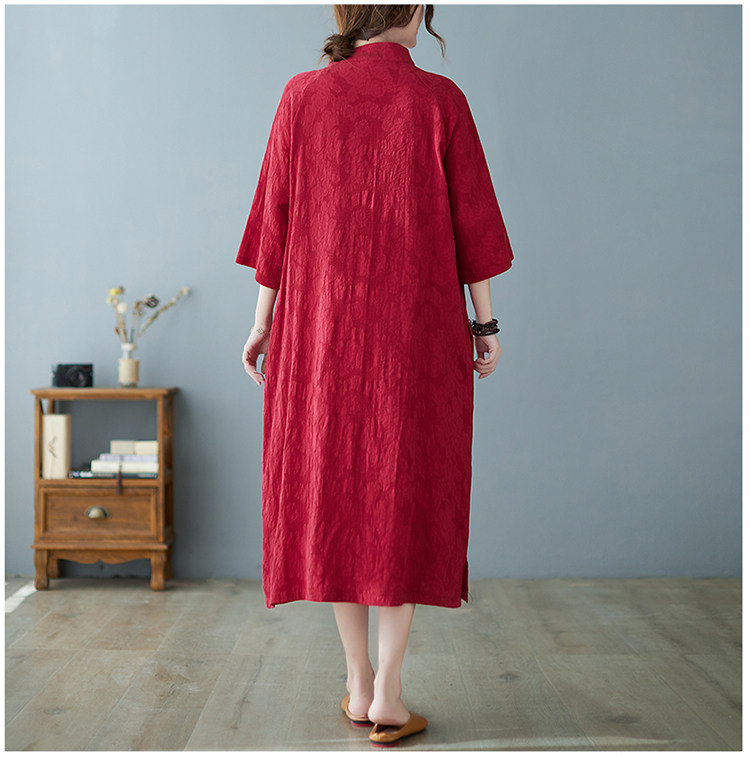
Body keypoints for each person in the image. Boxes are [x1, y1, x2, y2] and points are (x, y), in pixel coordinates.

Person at [237, 4, 514, 747]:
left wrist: (263, 322)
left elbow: (276, 225)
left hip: (322, 332)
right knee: (402, 494)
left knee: (338, 491)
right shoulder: (440, 100)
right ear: (415, 10)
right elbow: (474, 225)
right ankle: (389, 689)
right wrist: (485, 325)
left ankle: (358, 683)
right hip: (416, 338)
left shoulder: (302, 95)